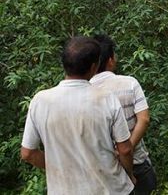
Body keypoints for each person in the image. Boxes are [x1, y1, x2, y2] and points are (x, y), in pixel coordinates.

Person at [20, 36, 135, 194]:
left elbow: (27, 153)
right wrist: (129, 175)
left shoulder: (40, 100)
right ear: (94, 67)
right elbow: (125, 150)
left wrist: (63, 166)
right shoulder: (106, 99)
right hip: (110, 188)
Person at [90, 34, 157, 195]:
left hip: (103, 169)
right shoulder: (129, 83)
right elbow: (144, 119)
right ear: (110, 60)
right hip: (137, 161)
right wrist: (127, 148)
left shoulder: (85, 91)